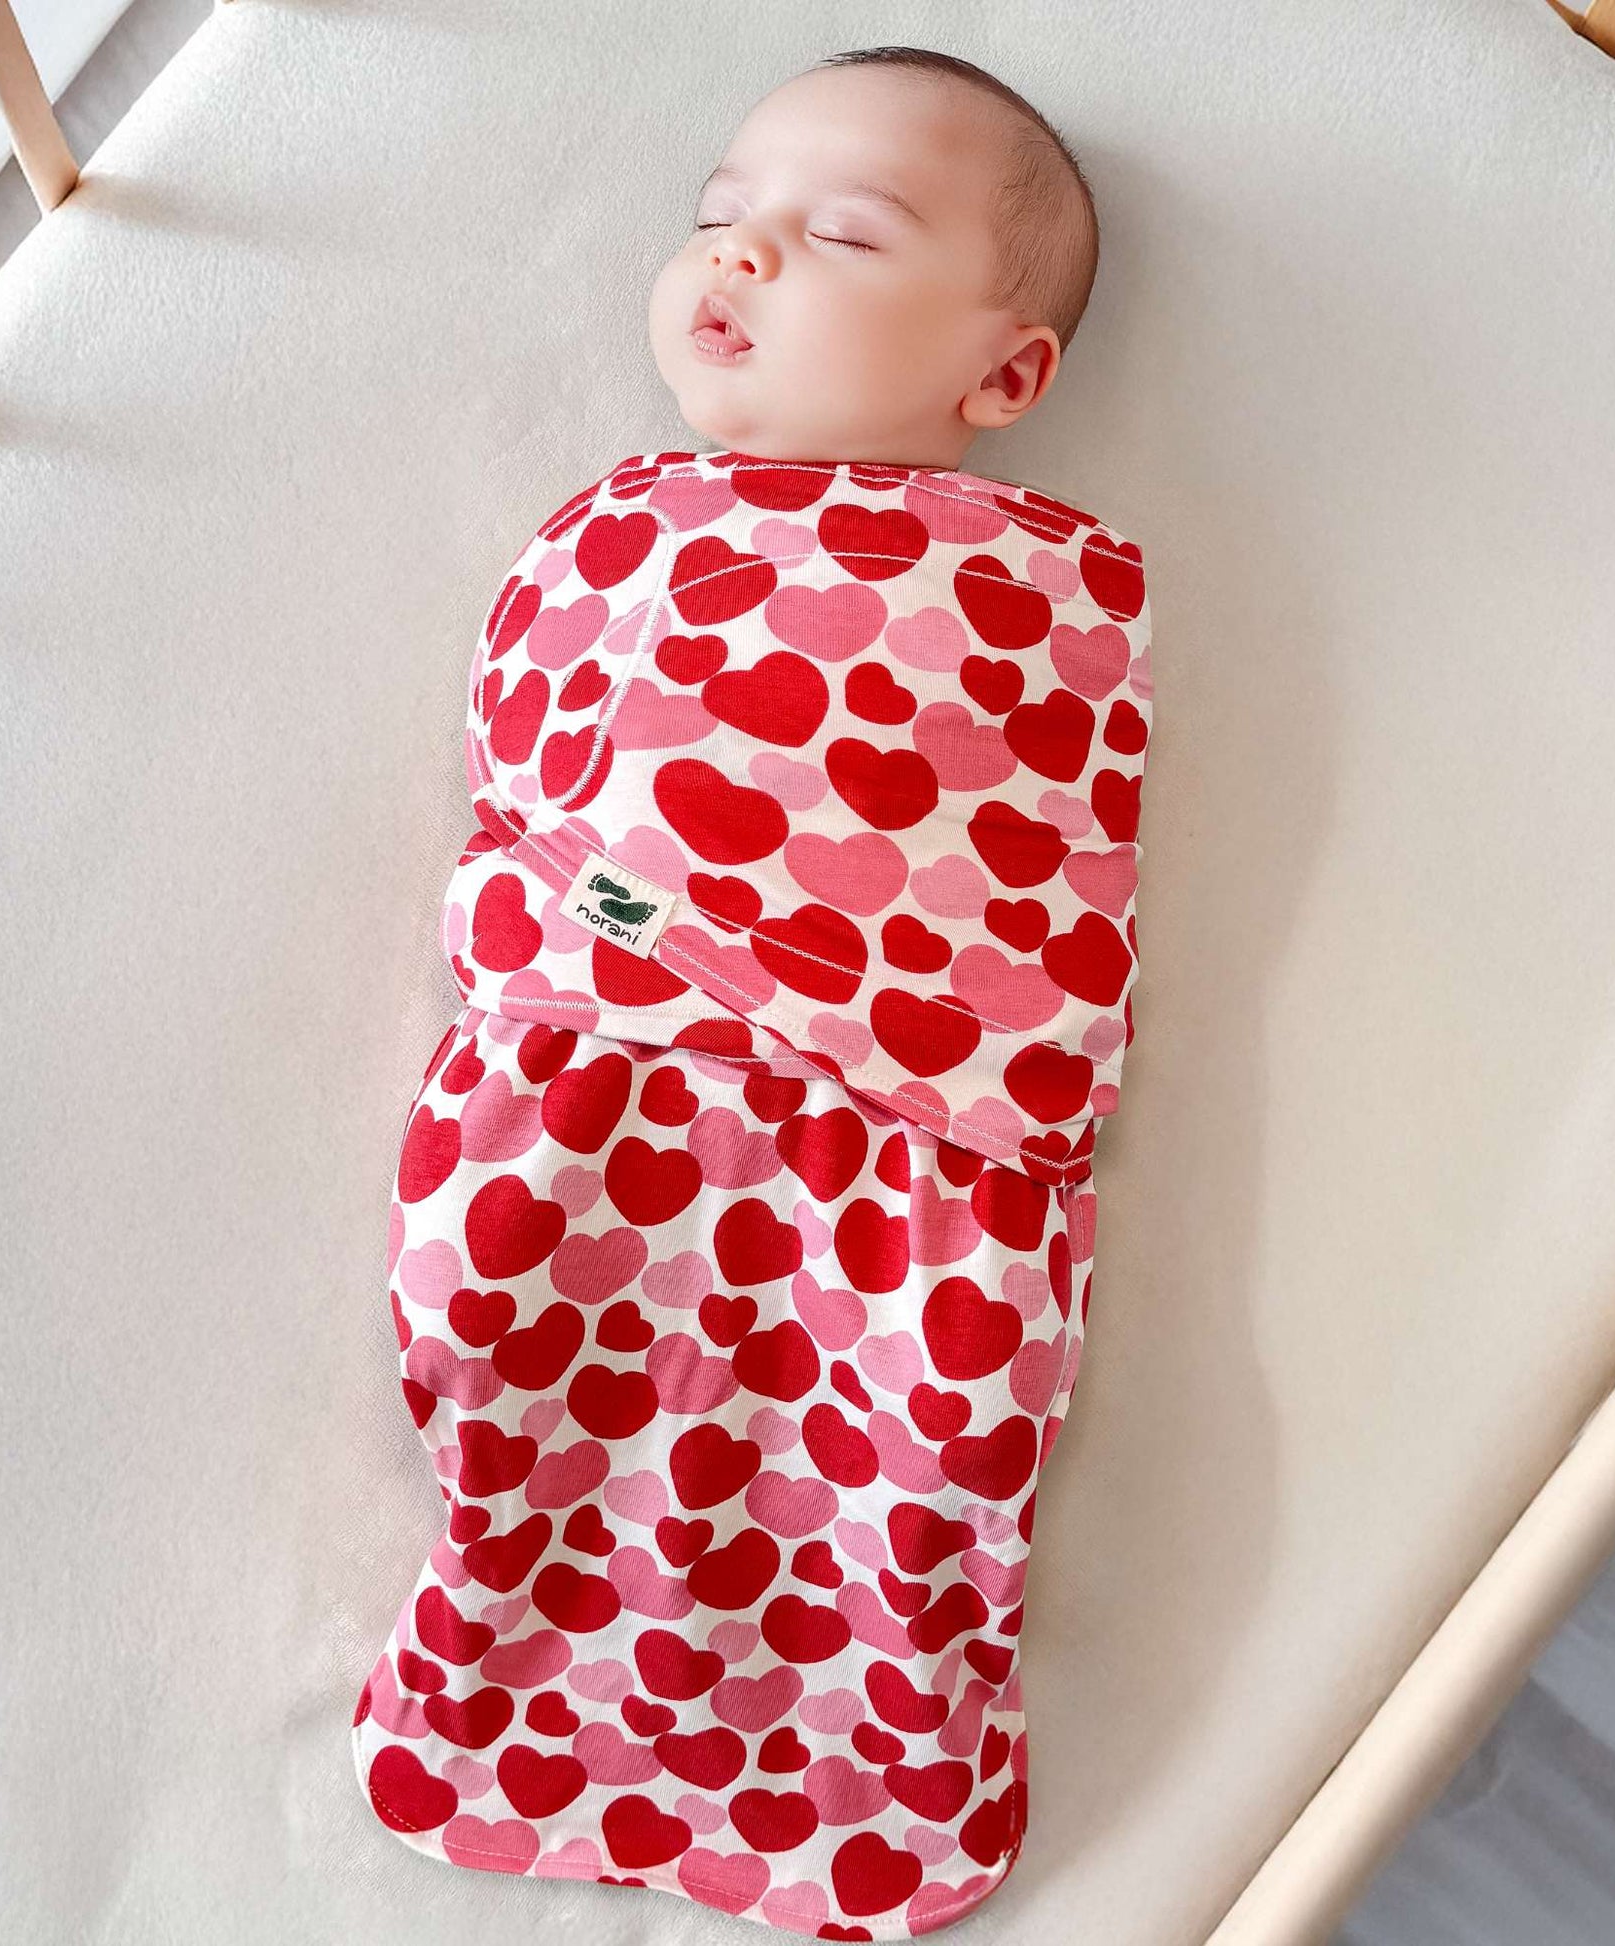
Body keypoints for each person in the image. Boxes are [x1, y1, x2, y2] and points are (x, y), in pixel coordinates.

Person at [352, 45, 1153, 1938]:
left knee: (908, 1435)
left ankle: (879, 1745)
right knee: (508, 1317)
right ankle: (507, 1667)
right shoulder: (612, 528)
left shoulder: (1025, 593)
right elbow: (524, 788)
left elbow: (1023, 861)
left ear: (1004, 373)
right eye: (719, 217)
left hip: (898, 1134)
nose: (743, 254)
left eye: (840, 234)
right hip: (586, 1065)